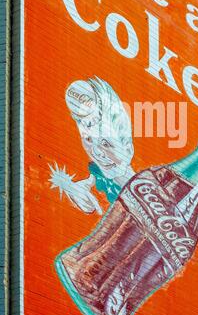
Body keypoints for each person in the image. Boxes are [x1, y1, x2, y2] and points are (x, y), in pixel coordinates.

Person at [49, 77, 135, 215]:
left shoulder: (150, 186)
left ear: (128, 148)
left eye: (106, 144)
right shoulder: (98, 179)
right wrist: (74, 192)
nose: (96, 152)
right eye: (88, 140)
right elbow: (87, 203)